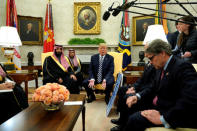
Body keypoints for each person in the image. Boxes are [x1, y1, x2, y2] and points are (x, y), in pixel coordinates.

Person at [124, 39, 197, 131]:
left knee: (134, 119)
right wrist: (137, 97)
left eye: (151, 58)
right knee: (130, 104)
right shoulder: (160, 67)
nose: (150, 62)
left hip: (175, 114)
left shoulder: (183, 67)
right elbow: (152, 88)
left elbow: (190, 99)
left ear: (162, 53)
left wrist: (162, 119)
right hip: (160, 105)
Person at [110, 63, 157, 131]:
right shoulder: (149, 63)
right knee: (122, 89)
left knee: (128, 96)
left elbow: (151, 86)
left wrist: (137, 92)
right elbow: (141, 79)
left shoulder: (157, 66)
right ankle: (121, 119)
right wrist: (133, 88)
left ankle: (123, 125)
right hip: (140, 88)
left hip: (145, 92)